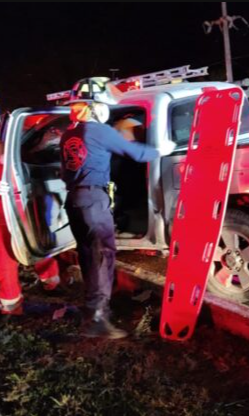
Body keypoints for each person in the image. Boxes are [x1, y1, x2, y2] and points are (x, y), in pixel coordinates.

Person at [60, 98, 175, 338]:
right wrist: (161, 150)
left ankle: (93, 308)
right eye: (102, 105)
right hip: (93, 199)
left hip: (74, 199)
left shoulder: (68, 134)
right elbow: (136, 153)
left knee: (89, 255)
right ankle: (97, 319)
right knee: (102, 255)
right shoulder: (99, 130)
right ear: (93, 108)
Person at [0, 123, 62, 315]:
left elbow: (32, 154)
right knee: (4, 262)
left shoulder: (8, 155)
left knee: (39, 248)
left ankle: (51, 282)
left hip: (25, 214)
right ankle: (11, 303)